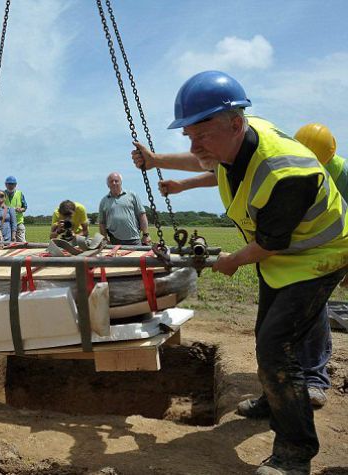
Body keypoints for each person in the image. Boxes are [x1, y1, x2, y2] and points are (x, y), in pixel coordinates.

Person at [133, 70, 348, 475]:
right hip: (285, 252)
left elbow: (271, 243)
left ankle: (294, 454)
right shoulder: (236, 139)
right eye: (189, 136)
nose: (195, 146)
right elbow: (212, 163)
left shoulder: (287, 172)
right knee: (266, 329)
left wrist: (231, 261)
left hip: (319, 252)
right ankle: (274, 399)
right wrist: (158, 161)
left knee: (275, 345)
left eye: (202, 135)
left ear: (235, 123)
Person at [98, 172, 151, 245]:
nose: (114, 183)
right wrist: (105, 238)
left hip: (134, 239)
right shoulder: (104, 201)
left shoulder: (132, 195)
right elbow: (102, 222)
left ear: (121, 182)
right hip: (114, 240)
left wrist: (146, 235)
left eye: (116, 181)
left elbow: (142, 215)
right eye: (111, 181)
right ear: (108, 185)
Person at [3, 176, 27, 242]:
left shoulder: (20, 194)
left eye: (12, 184)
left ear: (15, 185)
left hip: (18, 222)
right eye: (9, 184)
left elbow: (25, 207)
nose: (11, 186)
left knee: (22, 242)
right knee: (6, 243)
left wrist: (21, 209)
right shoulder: (2, 194)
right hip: (7, 223)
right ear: (5, 185)